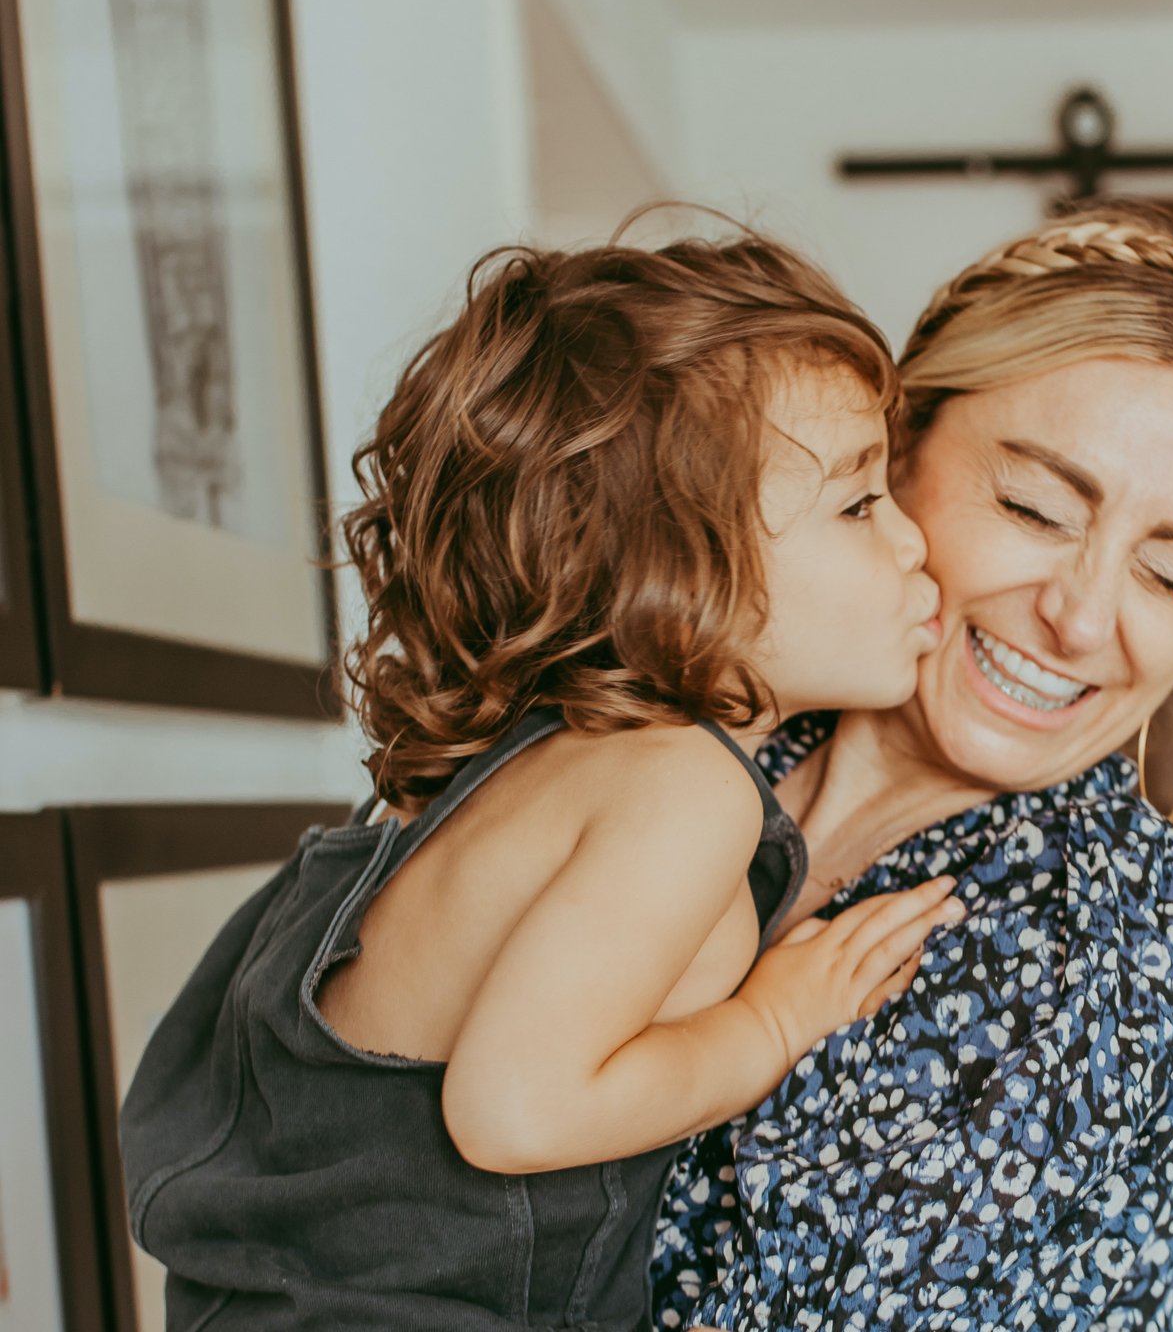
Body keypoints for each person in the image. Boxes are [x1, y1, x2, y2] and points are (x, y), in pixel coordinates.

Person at [117, 221, 965, 1332]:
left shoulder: (536, 763)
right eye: (860, 505)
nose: (915, 544)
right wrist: (767, 1024)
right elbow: (514, 1110)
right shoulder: (680, 785)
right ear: (670, 576)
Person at [654, 202, 1173, 1331]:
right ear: (893, 457)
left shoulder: (1126, 929)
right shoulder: (687, 730)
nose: (1081, 615)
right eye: (1033, 507)